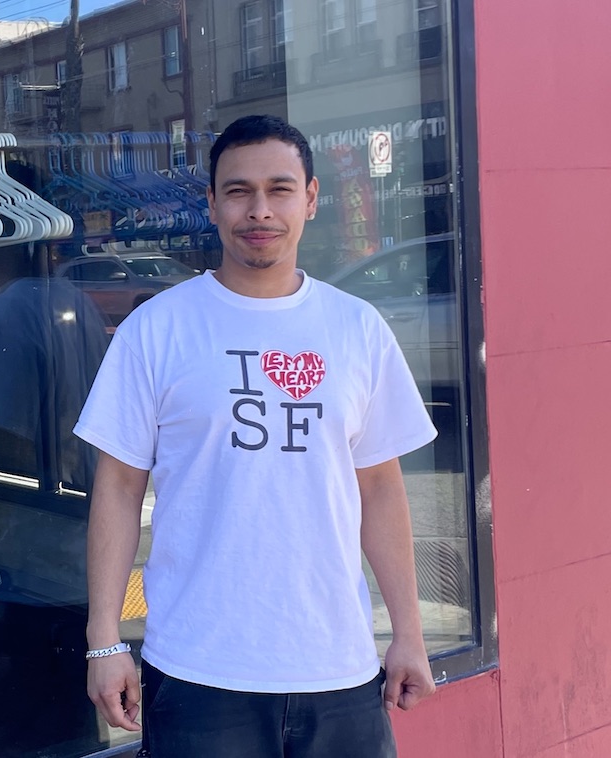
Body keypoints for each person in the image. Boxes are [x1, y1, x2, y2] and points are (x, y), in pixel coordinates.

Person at [75, 115, 438, 757]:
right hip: (198, 670)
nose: (259, 210)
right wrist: (104, 639)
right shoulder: (156, 329)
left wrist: (407, 631)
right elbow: (118, 487)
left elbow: (380, 488)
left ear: (312, 198)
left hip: (340, 665)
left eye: (280, 188)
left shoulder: (357, 328)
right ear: (211, 204)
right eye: (238, 191)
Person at [0, 273, 111, 757]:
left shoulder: (3, 318)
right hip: (68, 572)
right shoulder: (74, 304)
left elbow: (1, 460)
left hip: (8, 587)